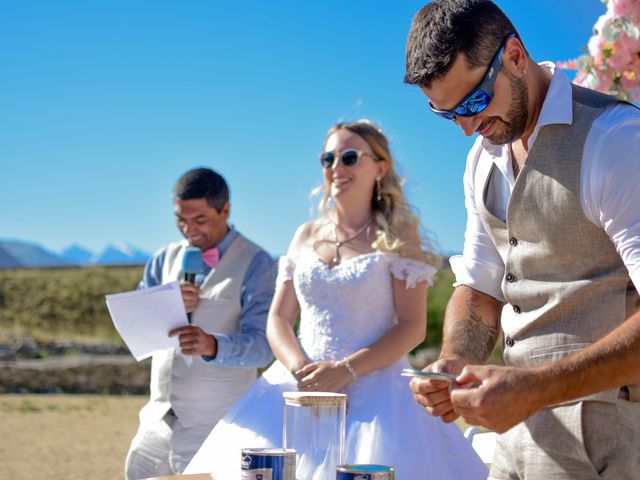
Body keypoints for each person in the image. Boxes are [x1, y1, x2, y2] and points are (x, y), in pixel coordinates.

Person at [404, 1, 640, 478]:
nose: (467, 127)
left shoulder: (616, 140)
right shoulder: (481, 161)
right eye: (446, 115)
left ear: (514, 55)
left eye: (473, 102)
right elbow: (480, 290)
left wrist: (534, 388)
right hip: (513, 439)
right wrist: (454, 361)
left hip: (606, 437)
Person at [184, 120, 487, 479]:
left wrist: (345, 371)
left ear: (380, 167)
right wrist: (303, 374)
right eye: (328, 159)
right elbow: (278, 319)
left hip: (377, 395)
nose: (336, 168)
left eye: (349, 157)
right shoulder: (306, 234)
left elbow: (412, 327)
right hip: (297, 386)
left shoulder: (399, 234)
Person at [124, 167, 277, 480]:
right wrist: (163, 306)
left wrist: (213, 345)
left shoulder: (258, 263)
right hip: (155, 422)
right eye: (180, 219)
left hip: (217, 426)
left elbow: (264, 347)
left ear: (226, 210)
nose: (188, 230)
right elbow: (137, 332)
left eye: (200, 220)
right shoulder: (161, 259)